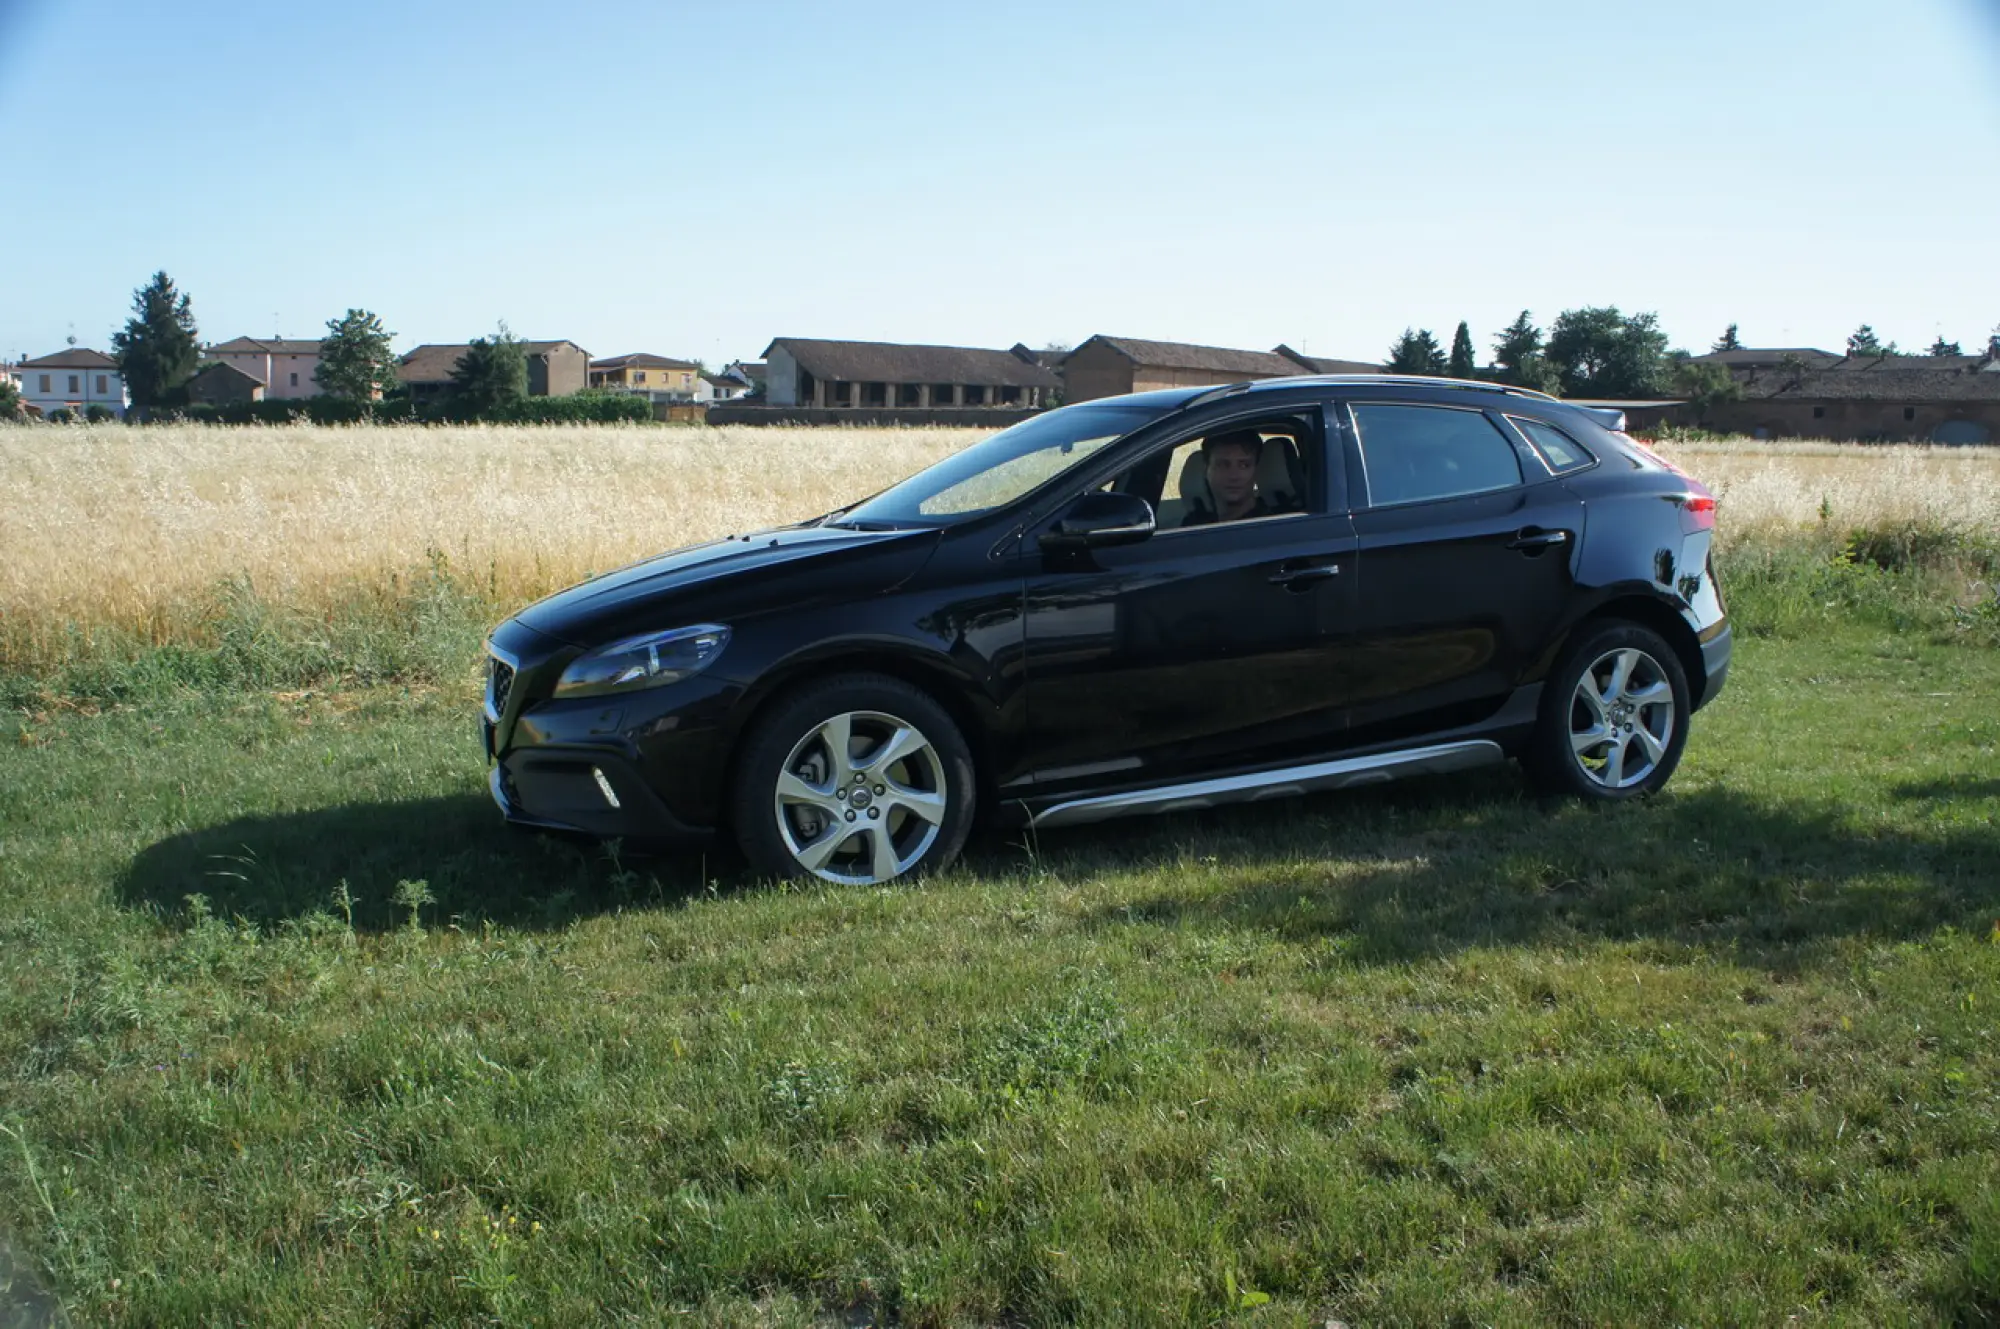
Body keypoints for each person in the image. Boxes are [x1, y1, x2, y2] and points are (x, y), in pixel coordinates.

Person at [1181, 429, 1277, 526]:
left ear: (1256, 470)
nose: (1233, 476)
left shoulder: (1271, 526)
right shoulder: (1193, 526)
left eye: (1244, 465)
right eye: (1223, 465)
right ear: (1206, 470)